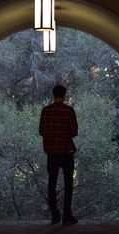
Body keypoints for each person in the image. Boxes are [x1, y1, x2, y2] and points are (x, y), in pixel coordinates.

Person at [39, 85, 78, 225]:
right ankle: (67, 214)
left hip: (52, 153)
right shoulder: (69, 111)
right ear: (65, 95)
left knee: (52, 183)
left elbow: (41, 131)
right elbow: (74, 132)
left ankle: (55, 214)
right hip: (66, 152)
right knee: (68, 184)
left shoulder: (46, 111)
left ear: (53, 95)